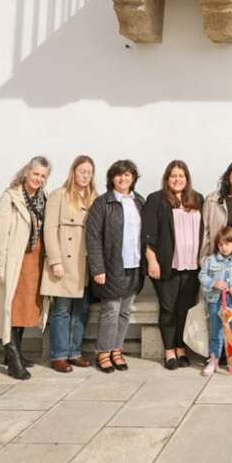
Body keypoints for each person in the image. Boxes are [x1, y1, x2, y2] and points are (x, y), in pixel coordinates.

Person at [0, 157, 51, 381]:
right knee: (10, 307)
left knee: (24, 309)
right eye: (35, 174)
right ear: (26, 173)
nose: (38, 179)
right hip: (15, 261)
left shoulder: (43, 198)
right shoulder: (10, 198)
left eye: (43, 176)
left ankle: (16, 351)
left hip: (34, 260)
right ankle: (11, 357)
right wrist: (0, 263)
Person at [142, 160, 205, 370]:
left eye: (181, 176)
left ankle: (181, 347)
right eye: (173, 176)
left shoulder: (197, 199)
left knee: (184, 309)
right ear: (167, 179)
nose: (177, 179)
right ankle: (169, 350)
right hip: (167, 266)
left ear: (187, 179)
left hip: (192, 267)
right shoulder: (156, 199)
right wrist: (152, 260)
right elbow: (148, 234)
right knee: (168, 309)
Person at [86, 160, 145, 374]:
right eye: (119, 175)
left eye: (128, 175)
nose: (123, 179)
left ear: (133, 178)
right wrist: (98, 269)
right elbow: (93, 238)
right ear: (112, 178)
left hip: (134, 265)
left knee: (125, 311)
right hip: (111, 266)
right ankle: (103, 351)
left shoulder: (139, 201)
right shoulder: (103, 203)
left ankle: (117, 349)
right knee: (110, 310)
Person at [41, 156, 96, 373]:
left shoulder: (93, 198)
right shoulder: (59, 196)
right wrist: (55, 261)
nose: (85, 175)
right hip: (64, 262)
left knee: (81, 310)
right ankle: (59, 355)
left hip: (84, 263)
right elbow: (49, 230)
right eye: (81, 171)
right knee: (62, 310)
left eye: (89, 172)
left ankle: (75, 352)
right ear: (73, 172)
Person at [199, 226, 232, 376]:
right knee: (216, 331)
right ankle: (214, 359)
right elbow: (202, 276)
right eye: (221, 244)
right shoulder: (210, 260)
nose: (224, 247)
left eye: (227, 244)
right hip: (216, 301)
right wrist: (213, 283)